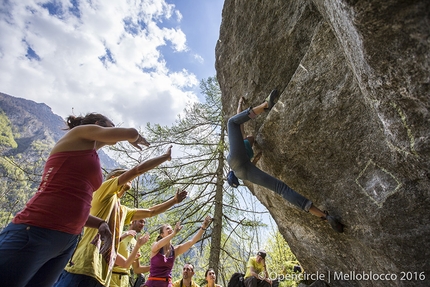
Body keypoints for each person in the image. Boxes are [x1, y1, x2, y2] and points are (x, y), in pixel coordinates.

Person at [0, 112, 152, 286]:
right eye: (112, 125)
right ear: (97, 124)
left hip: (66, 242)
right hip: (37, 228)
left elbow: (74, 203)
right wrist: (133, 137)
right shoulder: (78, 134)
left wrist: (100, 224)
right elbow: (131, 132)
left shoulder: (94, 156)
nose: (115, 129)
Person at [55, 145, 188, 287]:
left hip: (102, 277)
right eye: (124, 175)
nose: (129, 177)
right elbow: (137, 170)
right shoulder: (103, 192)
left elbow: (151, 212)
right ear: (113, 179)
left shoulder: (123, 210)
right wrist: (164, 157)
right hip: (82, 268)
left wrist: (174, 201)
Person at [227, 90, 344, 233]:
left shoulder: (242, 170)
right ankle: (265, 105)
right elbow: (239, 123)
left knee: (281, 189)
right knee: (231, 122)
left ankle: (324, 216)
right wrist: (240, 104)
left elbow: (250, 164)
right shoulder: (240, 149)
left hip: (245, 172)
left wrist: (256, 159)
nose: (251, 139)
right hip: (238, 159)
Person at [145, 216, 212, 287]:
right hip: (153, 284)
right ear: (162, 234)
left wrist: (203, 227)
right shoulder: (155, 246)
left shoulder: (175, 250)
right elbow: (158, 245)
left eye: (171, 228)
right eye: (167, 228)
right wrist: (173, 233)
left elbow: (191, 242)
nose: (170, 230)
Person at [111, 219, 151, 287]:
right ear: (133, 221)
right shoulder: (120, 235)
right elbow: (108, 254)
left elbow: (137, 269)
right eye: (141, 221)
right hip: (111, 278)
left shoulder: (136, 243)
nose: (143, 224)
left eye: (144, 222)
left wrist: (155, 266)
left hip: (125, 281)